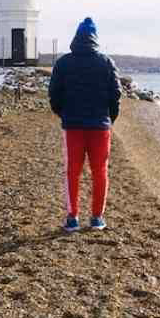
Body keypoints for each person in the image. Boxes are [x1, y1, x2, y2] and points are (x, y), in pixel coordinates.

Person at [48, 17, 121, 232]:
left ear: (76, 38)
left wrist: (63, 114)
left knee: (73, 171)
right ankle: (97, 217)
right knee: (100, 171)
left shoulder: (63, 62)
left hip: (73, 126)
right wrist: (110, 119)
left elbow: (54, 94)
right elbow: (116, 95)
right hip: (100, 127)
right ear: (95, 38)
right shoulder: (106, 62)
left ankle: (73, 218)